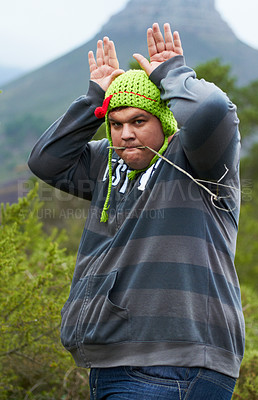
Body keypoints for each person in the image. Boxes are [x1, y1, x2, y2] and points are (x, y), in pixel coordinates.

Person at [28, 22, 245, 400]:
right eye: (116, 124)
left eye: (139, 121)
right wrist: (96, 98)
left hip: (175, 364)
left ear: (164, 122)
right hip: (112, 364)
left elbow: (214, 110)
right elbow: (46, 160)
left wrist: (172, 74)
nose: (126, 134)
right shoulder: (105, 164)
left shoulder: (200, 161)